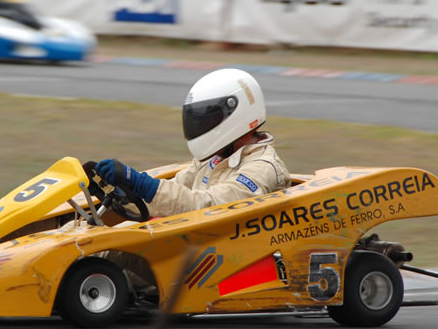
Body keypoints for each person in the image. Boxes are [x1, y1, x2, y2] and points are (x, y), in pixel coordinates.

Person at [95, 68, 291, 218]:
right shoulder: (214, 158)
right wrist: (121, 191)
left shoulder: (261, 169)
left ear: (236, 112)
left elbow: (209, 206)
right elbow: (173, 196)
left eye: (209, 119)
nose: (200, 125)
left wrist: (143, 184)